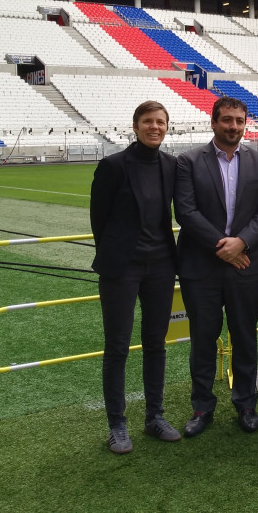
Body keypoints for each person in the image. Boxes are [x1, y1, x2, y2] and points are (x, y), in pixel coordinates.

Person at [174, 96, 258, 436]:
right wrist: (225, 246)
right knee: (203, 339)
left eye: (239, 120)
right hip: (201, 266)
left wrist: (241, 243)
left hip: (246, 264)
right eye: (227, 120)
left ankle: (246, 404)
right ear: (213, 122)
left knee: (245, 337)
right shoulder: (188, 161)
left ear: (245, 123)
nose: (234, 126)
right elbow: (185, 211)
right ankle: (202, 408)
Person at [90, 100, 181, 454]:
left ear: (166, 126)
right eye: (148, 122)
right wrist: (118, 255)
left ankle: (154, 417)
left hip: (161, 265)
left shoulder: (171, 165)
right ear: (136, 125)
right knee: (117, 346)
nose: (154, 127)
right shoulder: (113, 165)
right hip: (122, 268)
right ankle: (117, 425)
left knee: (156, 343)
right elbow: (100, 219)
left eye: (160, 122)